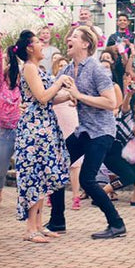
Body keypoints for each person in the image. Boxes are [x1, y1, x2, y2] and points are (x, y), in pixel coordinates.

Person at [47, 26, 126, 239]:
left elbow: (111, 102)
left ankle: (116, 224)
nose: (68, 39)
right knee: (56, 169)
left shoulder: (96, 69)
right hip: (82, 130)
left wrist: (79, 96)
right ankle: (57, 222)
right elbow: (50, 97)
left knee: (87, 179)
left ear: (86, 44)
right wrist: (66, 96)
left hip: (102, 132)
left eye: (74, 37)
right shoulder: (66, 70)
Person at [8, 30, 71, 243]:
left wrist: (70, 95)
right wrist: (60, 80)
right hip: (34, 129)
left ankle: (38, 225)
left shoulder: (37, 68)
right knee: (34, 176)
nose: (42, 45)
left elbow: (49, 98)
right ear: (29, 48)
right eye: (37, 42)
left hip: (45, 126)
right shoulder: (29, 68)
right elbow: (43, 97)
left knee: (43, 176)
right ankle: (30, 229)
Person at [102, 90, 135, 206]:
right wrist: (129, 93)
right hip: (111, 152)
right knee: (128, 176)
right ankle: (102, 193)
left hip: (126, 153)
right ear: (134, 104)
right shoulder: (126, 114)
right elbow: (125, 104)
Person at [0, 31, 21, 209]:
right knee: (1, 167)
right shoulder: (0, 85)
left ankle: (22, 197)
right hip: (5, 131)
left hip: (21, 130)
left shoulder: (22, 88)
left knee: (23, 167)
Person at [51, 56, 82, 211]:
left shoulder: (74, 85)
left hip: (71, 120)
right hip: (56, 121)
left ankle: (76, 196)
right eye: (60, 65)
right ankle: (53, 194)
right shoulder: (51, 83)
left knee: (75, 163)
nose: (63, 67)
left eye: (65, 65)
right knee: (55, 159)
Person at [106, 13, 135, 89]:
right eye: (120, 20)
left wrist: (129, 44)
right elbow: (107, 49)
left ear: (128, 22)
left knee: (127, 87)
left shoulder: (132, 36)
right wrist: (114, 47)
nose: (122, 22)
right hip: (115, 65)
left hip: (128, 66)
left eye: (124, 20)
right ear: (117, 22)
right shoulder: (113, 36)